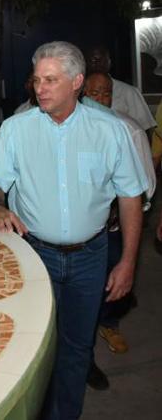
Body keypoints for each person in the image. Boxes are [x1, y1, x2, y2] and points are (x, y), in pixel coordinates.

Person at [0, 41, 148, 419]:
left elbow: (130, 199)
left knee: (76, 348)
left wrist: (127, 263)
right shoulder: (16, 129)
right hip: (35, 254)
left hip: (92, 257)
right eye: (37, 79)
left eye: (51, 80)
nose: (40, 88)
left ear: (76, 82)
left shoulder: (110, 130)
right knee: (36, 346)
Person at [82, 72, 156, 389]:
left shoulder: (128, 129)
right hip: (75, 236)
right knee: (80, 300)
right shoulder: (67, 130)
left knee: (114, 284)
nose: (101, 99)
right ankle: (84, 360)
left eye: (106, 93)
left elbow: (145, 185)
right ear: (81, 91)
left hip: (111, 230)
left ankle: (109, 323)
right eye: (94, 93)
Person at [86, 45, 156, 132]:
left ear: (109, 63)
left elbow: (145, 129)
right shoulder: (75, 92)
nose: (97, 63)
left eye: (101, 60)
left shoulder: (128, 92)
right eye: (93, 60)